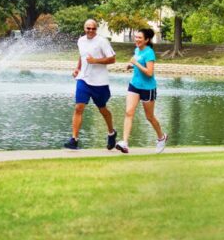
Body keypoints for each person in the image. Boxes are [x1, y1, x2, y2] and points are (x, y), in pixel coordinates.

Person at [64, 19, 117, 150]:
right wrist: (78, 68)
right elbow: (82, 56)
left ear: (96, 29)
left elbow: (112, 59)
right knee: (78, 107)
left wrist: (95, 61)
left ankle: (111, 132)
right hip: (83, 79)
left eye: (93, 28)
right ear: (84, 28)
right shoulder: (81, 40)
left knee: (103, 109)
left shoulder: (102, 41)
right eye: (88, 28)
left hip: (100, 82)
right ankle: (74, 140)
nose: (90, 31)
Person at [115, 27, 168, 154]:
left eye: (139, 38)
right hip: (134, 85)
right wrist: (131, 65)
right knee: (129, 112)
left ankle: (162, 137)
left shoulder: (149, 53)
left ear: (147, 40)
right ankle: (125, 143)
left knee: (149, 117)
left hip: (147, 88)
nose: (137, 39)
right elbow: (137, 62)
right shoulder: (137, 49)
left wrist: (135, 64)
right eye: (136, 37)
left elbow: (149, 73)